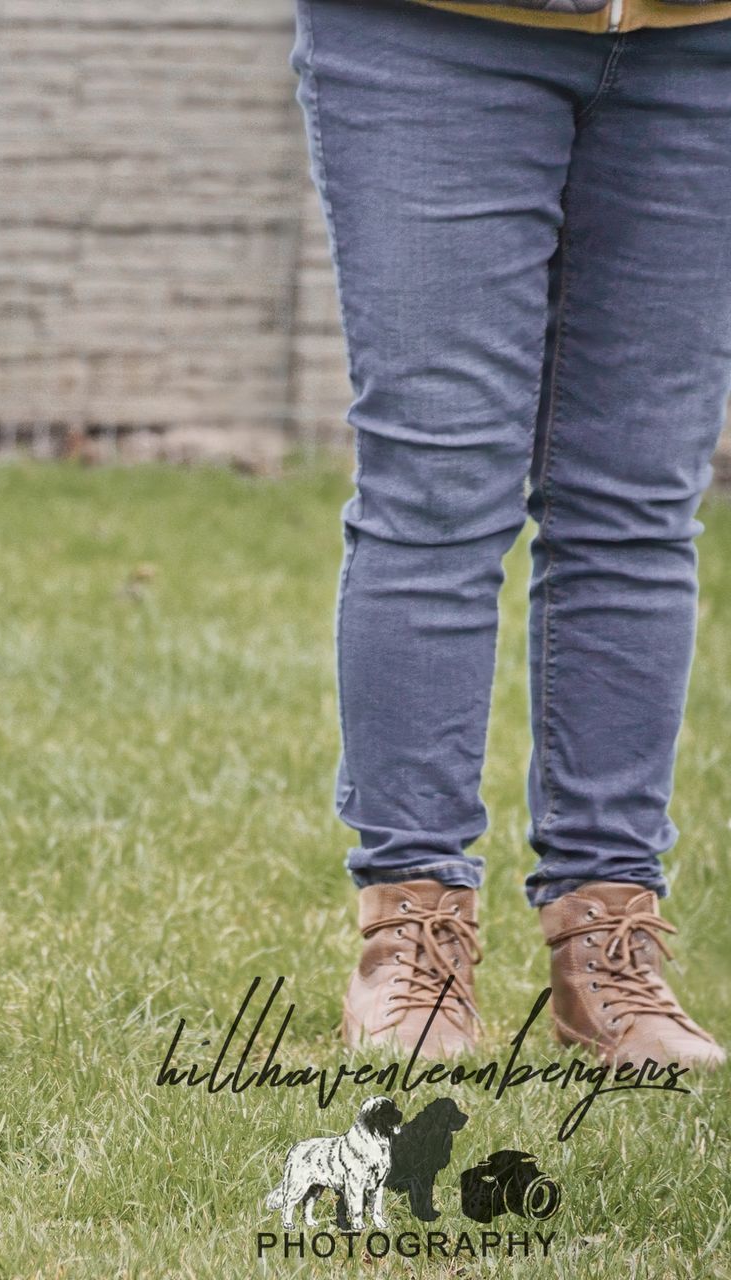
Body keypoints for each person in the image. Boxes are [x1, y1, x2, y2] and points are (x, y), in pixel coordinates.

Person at [292, 0, 731, 1067]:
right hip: (432, 30)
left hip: (701, 41)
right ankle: (413, 940)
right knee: (434, 490)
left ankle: (610, 949)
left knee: (637, 501)